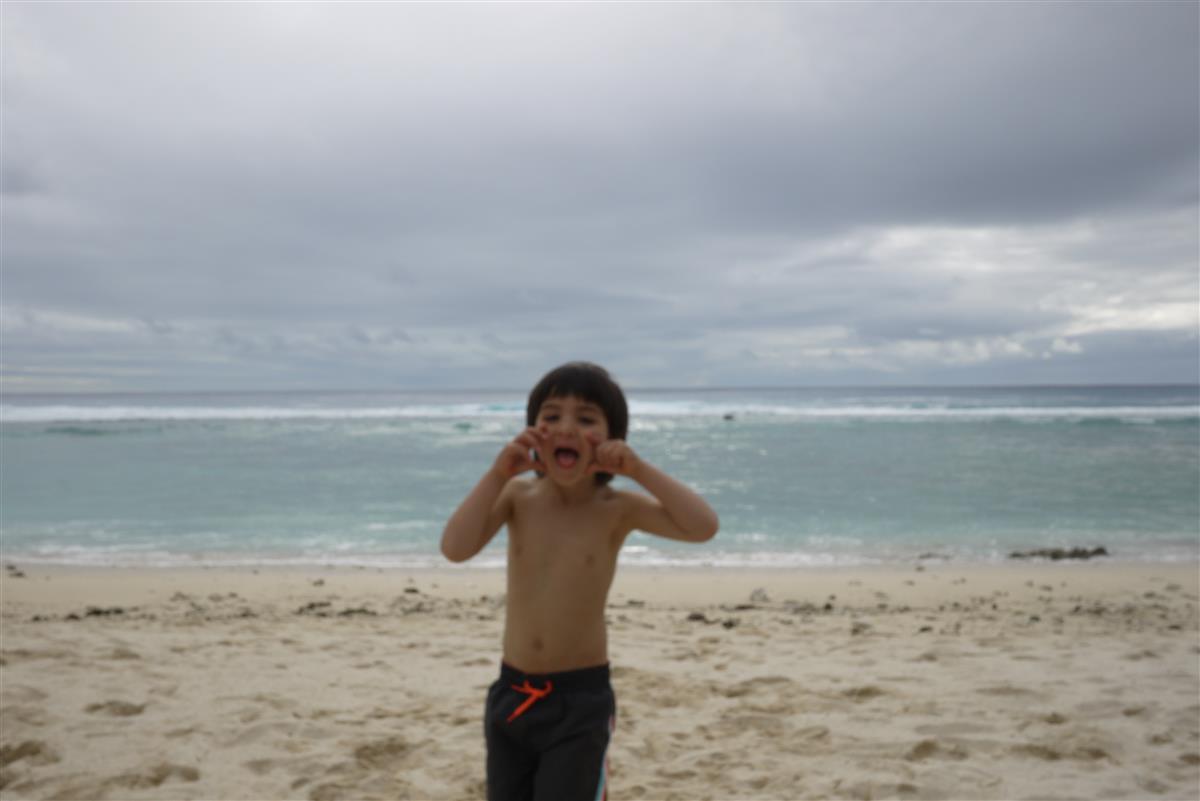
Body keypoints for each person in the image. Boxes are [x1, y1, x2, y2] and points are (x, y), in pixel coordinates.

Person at [441, 361, 719, 801]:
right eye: (551, 416)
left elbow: (702, 526)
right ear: (532, 431)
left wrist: (639, 470)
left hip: (580, 700)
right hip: (512, 692)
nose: (566, 428)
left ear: (612, 439)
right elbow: (455, 548)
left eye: (586, 419)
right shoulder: (516, 497)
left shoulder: (616, 508)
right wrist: (497, 474)